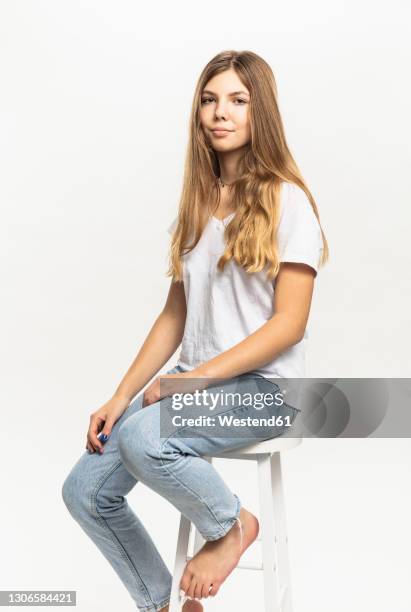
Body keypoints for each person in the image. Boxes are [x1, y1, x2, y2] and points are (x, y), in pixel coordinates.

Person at [62, 49, 329, 612]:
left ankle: (232, 525)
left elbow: (290, 324)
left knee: (144, 438)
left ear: (262, 113)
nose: (219, 113)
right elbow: (174, 315)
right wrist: (121, 395)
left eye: (237, 100)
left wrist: (190, 383)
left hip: (265, 393)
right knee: (85, 491)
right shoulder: (197, 203)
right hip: (199, 381)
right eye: (209, 100)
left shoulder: (288, 201)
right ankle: (161, 604)